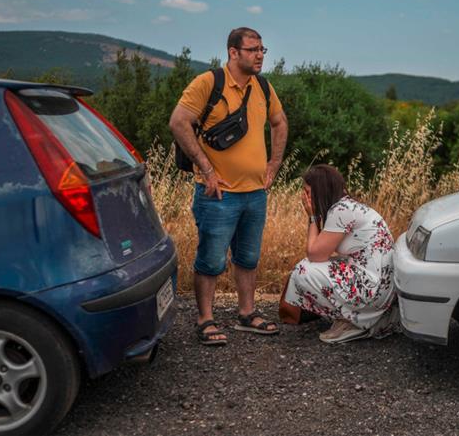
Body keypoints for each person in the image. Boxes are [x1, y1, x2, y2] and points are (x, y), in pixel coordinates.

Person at [169, 27, 288, 346]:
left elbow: (280, 122)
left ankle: (247, 313)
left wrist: (274, 164)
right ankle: (205, 319)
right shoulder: (209, 83)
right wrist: (206, 169)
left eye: (263, 49)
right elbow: (178, 122)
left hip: (254, 193)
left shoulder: (263, 86)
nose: (260, 55)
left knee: (248, 257)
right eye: (253, 50)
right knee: (211, 260)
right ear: (233, 53)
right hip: (217, 194)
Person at [285, 164, 397, 343]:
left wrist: (312, 216)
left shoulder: (341, 211)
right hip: (381, 285)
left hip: (373, 289)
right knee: (317, 265)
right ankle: (364, 317)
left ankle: (352, 321)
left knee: (303, 270)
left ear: (320, 191)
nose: (304, 197)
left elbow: (315, 254)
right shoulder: (346, 206)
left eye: (307, 192)